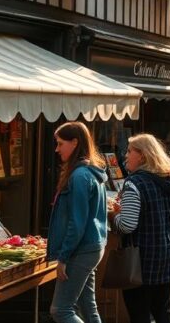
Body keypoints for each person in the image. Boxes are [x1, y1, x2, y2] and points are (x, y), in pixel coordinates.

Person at [113, 134, 170, 323]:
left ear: (142, 156)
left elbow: (127, 225)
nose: (125, 156)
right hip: (167, 253)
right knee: (162, 310)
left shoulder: (134, 184)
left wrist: (116, 215)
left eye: (129, 151)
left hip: (141, 259)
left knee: (139, 314)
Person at [47, 122, 108, 323]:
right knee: (88, 307)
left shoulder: (80, 176)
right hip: (93, 246)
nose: (57, 149)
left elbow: (77, 222)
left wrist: (63, 257)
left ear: (74, 143)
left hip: (81, 249)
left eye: (60, 144)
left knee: (61, 310)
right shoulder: (90, 172)